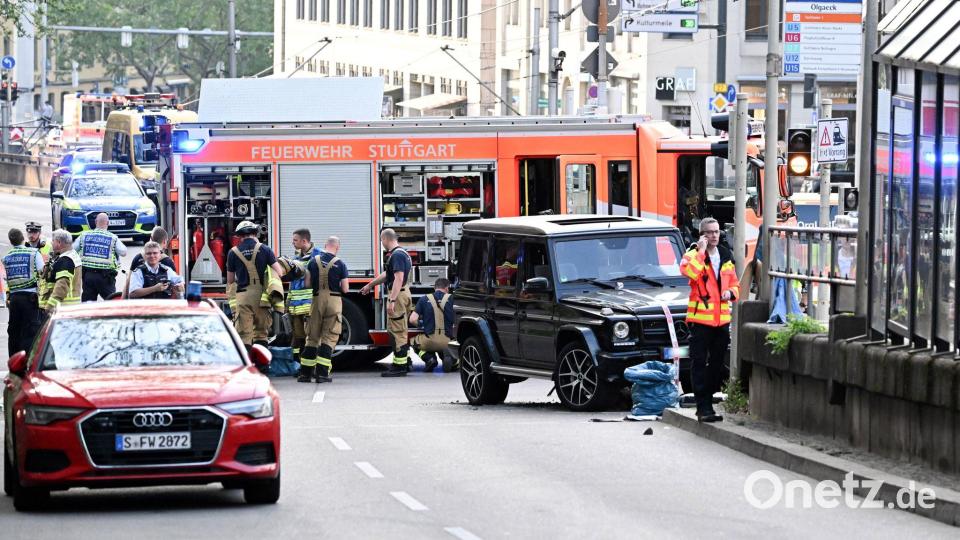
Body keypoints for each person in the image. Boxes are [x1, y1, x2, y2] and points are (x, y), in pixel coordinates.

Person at [679, 217, 740, 423]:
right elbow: (690, 273)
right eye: (710, 232)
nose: (714, 235)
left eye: (716, 232)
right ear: (702, 235)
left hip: (721, 321)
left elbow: (735, 283)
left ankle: (707, 403)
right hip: (700, 321)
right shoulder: (692, 255)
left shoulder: (725, 255)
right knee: (698, 364)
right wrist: (701, 251)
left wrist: (730, 293)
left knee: (716, 365)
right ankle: (703, 408)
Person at [361, 228, 413, 378]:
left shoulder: (396, 255)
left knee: (398, 331)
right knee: (398, 329)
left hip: (398, 295)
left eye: (381, 240)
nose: (382, 244)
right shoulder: (401, 253)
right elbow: (387, 274)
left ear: (385, 239)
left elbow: (398, 278)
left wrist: (392, 300)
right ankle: (404, 362)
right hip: (403, 293)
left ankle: (400, 366)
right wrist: (370, 285)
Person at [226, 221, 284, 354]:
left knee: (244, 334)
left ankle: (247, 364)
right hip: (262, 298)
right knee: (261, 334)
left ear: (240, 236)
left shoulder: (232, 252)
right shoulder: (265, 249)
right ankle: (261, 364)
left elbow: (230, 280)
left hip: (243, 297)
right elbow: (279, 272)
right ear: (254, 233)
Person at [299, 236, 349, 383]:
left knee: (312, 337)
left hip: (316, 300)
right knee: (329, 337)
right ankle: (322, 374)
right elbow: (345, 289)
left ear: (325, 245)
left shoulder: (313, 262)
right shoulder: (340, 264)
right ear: (337, 247)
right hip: (334, 301)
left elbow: (307, 284)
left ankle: (305, 374)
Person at [2, 228, 45, 356]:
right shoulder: (33, 253)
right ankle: (28, 359)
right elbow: (43, 272)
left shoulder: (6, 257)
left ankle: (14, 360)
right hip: (30, 298)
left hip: (14, 299)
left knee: (14, 331)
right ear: (23, 239)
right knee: (31, 330)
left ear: (11, 242)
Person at [288, 228, 323, 367]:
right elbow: (293, 283)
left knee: (312, 337)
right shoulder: (296, 257)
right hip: (296, 306)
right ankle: (301, 367)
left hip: (310, 304)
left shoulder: (319, 255)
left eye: (295, 240)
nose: (292, 243)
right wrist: (288, 302)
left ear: (304, 241)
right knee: (299, 337)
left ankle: (313, 367)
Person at [74, 213, 127, 301]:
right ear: (108, 223)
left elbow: (73, 249)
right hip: (106, 277)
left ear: (95, 222)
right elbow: (123, 252)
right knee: (111, 302)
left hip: (88, 275)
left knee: (88, 303)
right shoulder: (112, 238)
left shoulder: (84, 235)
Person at [410, 278, 455, 373]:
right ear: (447, 288)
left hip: (429, 341)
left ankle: (429, 358)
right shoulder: (453, 299)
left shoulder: (423, 299)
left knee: (413, 342)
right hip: (448, 342)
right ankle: (453, 361)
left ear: (434, 288)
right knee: (454, 347)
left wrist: (421, 325)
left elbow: (412, 319)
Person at [124, 226, 174, 297]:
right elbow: (174, 287)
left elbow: (128, 282)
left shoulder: (137, 258)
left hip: (141, 302)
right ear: (165, 242)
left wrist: (123, 300)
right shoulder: (168, 262)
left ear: (151, 239)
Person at [43, 229, 83, 316]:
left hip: (63, 307)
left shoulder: (65, 260)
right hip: (72, 307)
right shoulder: (73, 255)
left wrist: (49, 306)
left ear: (59, 243)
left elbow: (61, 286)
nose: (51, 243)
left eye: (53, 241)